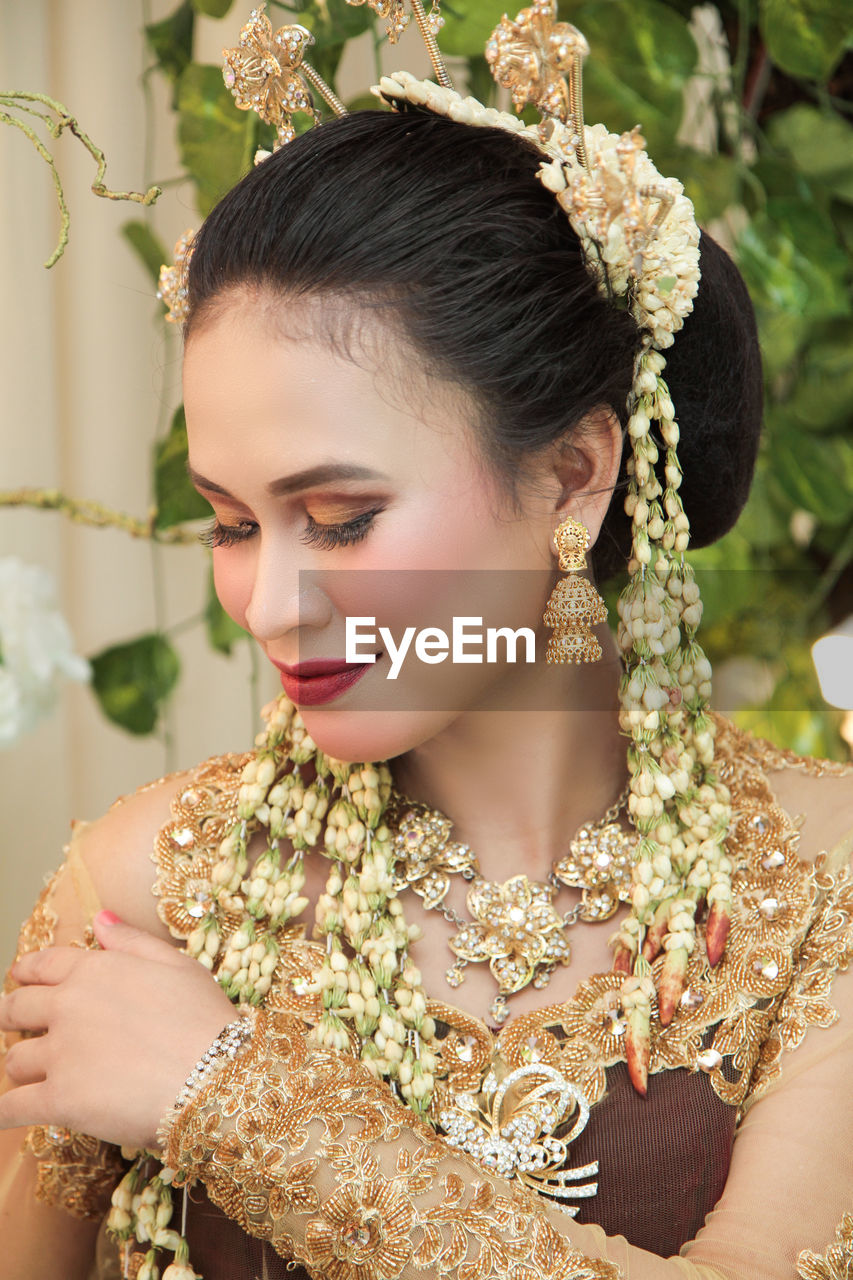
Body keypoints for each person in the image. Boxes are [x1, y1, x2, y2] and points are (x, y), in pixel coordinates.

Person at [1, 3, 852, 1277]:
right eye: (232, 523)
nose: (268, 600)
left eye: (340, 519)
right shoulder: (149, 898)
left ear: (572, 474)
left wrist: (233, 1096)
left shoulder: (819, 883)